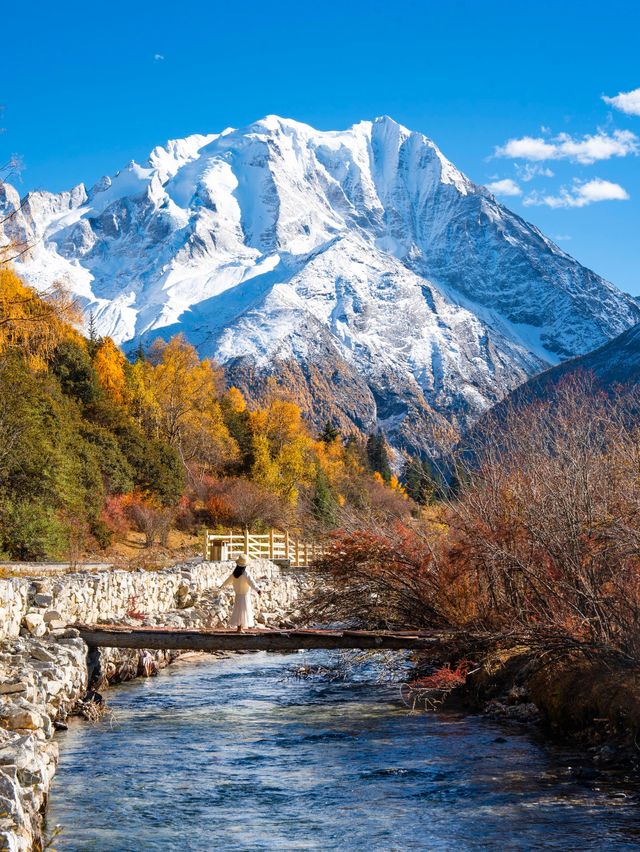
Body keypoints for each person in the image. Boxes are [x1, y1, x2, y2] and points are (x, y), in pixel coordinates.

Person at [221, 554, 262, 632]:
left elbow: (227, 581)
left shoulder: (234, 574)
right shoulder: (246, 574)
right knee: (243, 611)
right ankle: (240, 628)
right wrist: (258, 590)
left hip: (238, 595)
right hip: (245, 596)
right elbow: (252, 583)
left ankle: (239, 628)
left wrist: (222, 586)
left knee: (238, 611)